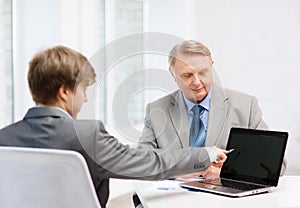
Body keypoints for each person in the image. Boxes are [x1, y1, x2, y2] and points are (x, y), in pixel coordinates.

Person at [0, 46, 228, 208]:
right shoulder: (87, 136)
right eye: (84, 90)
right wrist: (206, 154)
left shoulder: (4, 138)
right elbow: (150, 162)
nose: (86, 99)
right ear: (64, 92)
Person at [138, 40, 286, 177]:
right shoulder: (156, 111)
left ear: (211, 66)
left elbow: (277, 165)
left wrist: (227, 171)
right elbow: (141, 163)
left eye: (203, 72)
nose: (197, 82)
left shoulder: (245, 106)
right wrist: (183, 171)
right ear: (173, 75)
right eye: (187, 75)